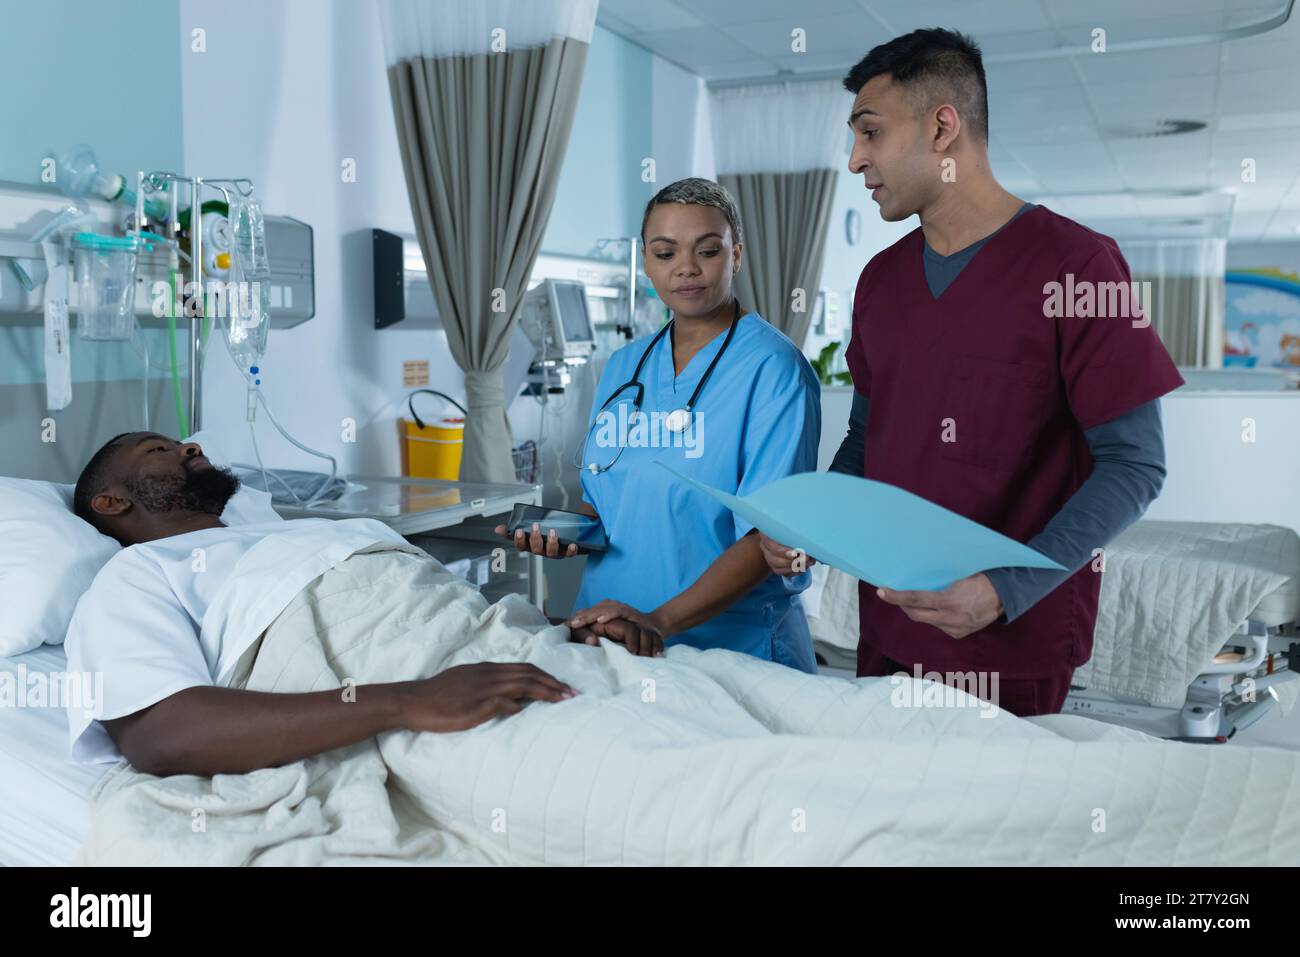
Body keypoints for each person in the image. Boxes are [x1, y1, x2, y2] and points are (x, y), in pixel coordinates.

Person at [760, 29, 1183, 716]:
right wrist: (816, 528)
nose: (855, 160)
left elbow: (1136, 466)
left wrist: (1005, 586)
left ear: (942, 127)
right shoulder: (881, 281)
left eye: (869, 132)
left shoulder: (1077, 267)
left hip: (1009, 641)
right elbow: (869, 441)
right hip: (890, 627)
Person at [65, 432, 579, 775]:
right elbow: (160, 734)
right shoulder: (133, 576)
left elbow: (436, 607)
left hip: (520, 652)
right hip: (431, 698)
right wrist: (411, 699)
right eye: (158, 449)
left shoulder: (300, 533)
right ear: (112, 502)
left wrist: (567, 627)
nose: (188, 445)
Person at [497, 178, 822, 672]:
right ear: (647, 263)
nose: (686, 268)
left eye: (707, 251)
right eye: (665, 253)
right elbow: (606, 502)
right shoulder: (624, 366)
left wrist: (658, 619)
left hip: (731, 649)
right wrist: (564, 532)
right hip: (613, 636)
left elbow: (766, 538)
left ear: (736, 255)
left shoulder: (774, 369)